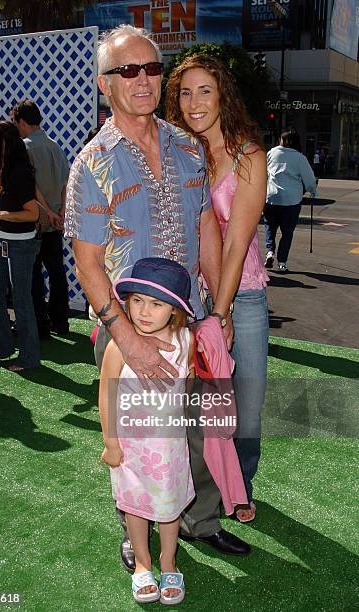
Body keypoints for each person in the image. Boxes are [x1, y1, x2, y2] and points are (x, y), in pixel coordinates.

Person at [65, 25, 249, 570]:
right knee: (139, 445)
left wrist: (220, 310)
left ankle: (202, 521)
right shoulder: (91, 165)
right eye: (128, 70)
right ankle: (136, 534)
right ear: (105, 84)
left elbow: (206, 233)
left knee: (204, 427)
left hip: (193, 327)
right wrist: (127, 338)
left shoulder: (188, 146)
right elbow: (88, 263)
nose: (144, 79)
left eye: (151, 68)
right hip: (130, 331)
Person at [166, 54, 269, 521]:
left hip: (240, 298)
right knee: (199, 411)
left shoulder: (249, 155)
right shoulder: (176, 153)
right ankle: (202, 492)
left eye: (205, 90)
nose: (194, 102)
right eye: (185, 92)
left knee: (245, 409)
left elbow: (235, 244)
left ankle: (241, 484)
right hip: (186, 300)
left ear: (223, 94)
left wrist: (221, 311)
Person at [100, 257, 196, 604]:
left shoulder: (187, 341)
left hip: (169, 449)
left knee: (169, 509)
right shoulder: (119, 345)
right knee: (136, 508)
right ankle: (143, 563)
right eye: (137, 300)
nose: (143, 311)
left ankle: (168, 560)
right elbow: (106, 393)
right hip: (131, 449)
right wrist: (111, 442)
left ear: (174, 310)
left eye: (156, 303)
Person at [0, 121, 40, 371]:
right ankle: (2, 349)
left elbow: (32, 214)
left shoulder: (18, 172)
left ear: (2, 144)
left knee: (22, 302)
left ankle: (29, 358)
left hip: (21, 246)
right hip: (0, 241)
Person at [12, 99, 70, 337]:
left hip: (37, 219)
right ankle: (61, 321)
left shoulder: (24, 147)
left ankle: (41, 325)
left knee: (34, 274)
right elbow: (67, 182)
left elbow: (31, 187)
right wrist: (62, 213)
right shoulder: (55, 145)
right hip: (56, 218)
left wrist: (48, 213)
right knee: (57, 271)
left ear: (22, 121)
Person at [263, 129, 317, 273]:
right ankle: (282, 263)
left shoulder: (271, 153)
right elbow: (309, 179)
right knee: (287, 232)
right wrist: (312, 190)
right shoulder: (300, 158)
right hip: (292, 201)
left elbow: (263, 173)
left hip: (271, 198)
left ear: (283, 140)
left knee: (270, 227)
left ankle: (269, 252)